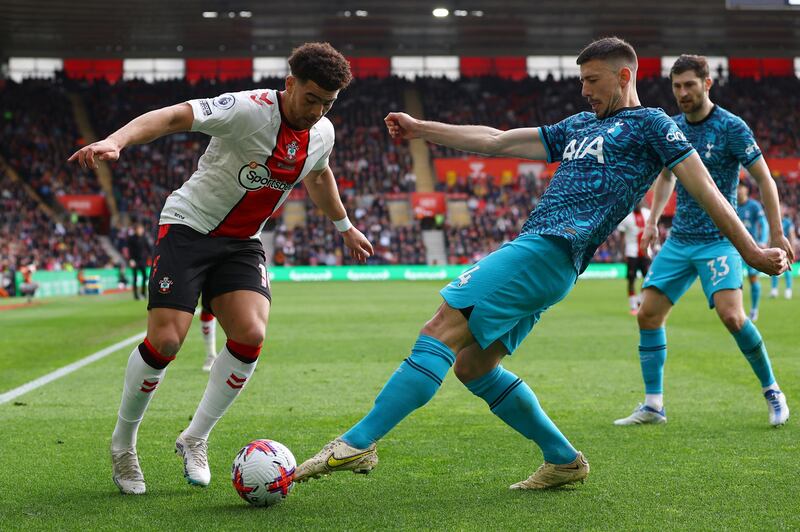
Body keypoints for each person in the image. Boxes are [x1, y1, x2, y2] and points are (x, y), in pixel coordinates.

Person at [295, 38, 789, 490]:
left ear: (623, 76)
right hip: (546, 257)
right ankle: (563, 459)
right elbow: (497, 140)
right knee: (473, 364)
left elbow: (703, 186)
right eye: (580, 82)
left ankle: (356, 444)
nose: (584, 91)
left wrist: (751, 250)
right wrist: (422, 129)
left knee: (442, 326)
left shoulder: (653, 125)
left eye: (592, 81)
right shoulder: (576, 127)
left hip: (551, 247)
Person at [68, 42, 373, 495]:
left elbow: (320, 173)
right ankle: (123, 445)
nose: (317, 111)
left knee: (250, 335)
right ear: (289, 84)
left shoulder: (323, 132)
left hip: (241, 244)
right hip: (189, 228)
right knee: (167, 340)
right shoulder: (248, 109)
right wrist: (116, 141)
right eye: (311, 98)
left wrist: (344, 226)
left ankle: (195, 437)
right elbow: (173, 116)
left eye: (328, 103)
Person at [614, 55, 793, 428]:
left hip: (720, 241)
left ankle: (773, 390)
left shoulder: (731, 127)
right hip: (680, 240)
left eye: (689, 85)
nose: (682, 93)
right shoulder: (673, 127)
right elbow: (666, 177)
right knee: (648, 314)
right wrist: (652, 221)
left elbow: (765, 180)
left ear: (707, 84)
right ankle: (653, 405)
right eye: (677, 86)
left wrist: (776, 234)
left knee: (732, 315)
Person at [736, 181, 769, 321]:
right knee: (735, 280)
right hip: (734, 247)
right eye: (737, 187)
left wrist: (763, 240)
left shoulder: (754, 206)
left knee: (752, 277)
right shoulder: (731, 204)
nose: (738, 190)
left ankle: (754, 309)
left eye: (741, 187)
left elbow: (763, 223)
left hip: (751, 247)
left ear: (746, 190)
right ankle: (737, 310)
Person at [617, 201, 652, 314]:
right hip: (631, 252)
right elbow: (621, 237)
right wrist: (622, 253)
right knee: (631, 279)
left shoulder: (648, 213)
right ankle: (633, 306)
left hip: (646, 252)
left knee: (648, 279)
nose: (638, 204)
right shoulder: (626, 217)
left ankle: (639, 300)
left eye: (640, 201)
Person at [770, 203, 795, 299]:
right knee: (774, 269)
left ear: (784, 211)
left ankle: (788, 290)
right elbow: (770, 236)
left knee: (788, 270)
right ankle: (774, 290)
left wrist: (791, 248)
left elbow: (791, 236)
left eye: (781, 209)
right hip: (776, 250)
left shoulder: (788, 222)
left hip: (786, 250)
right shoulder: (774, 223)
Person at [126, 223, 152, 300]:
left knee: (145, 277)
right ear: (136, 230)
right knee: (135, 278)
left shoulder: (144, 238)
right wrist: (131, 260)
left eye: (141, 229)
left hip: (143, 260)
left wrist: (152, 256)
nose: (141, 231)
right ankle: (136, 295)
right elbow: (130, 250)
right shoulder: (131, 238)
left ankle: (143, 293)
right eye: (139, 229)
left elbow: (149, 248)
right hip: (135, 260)